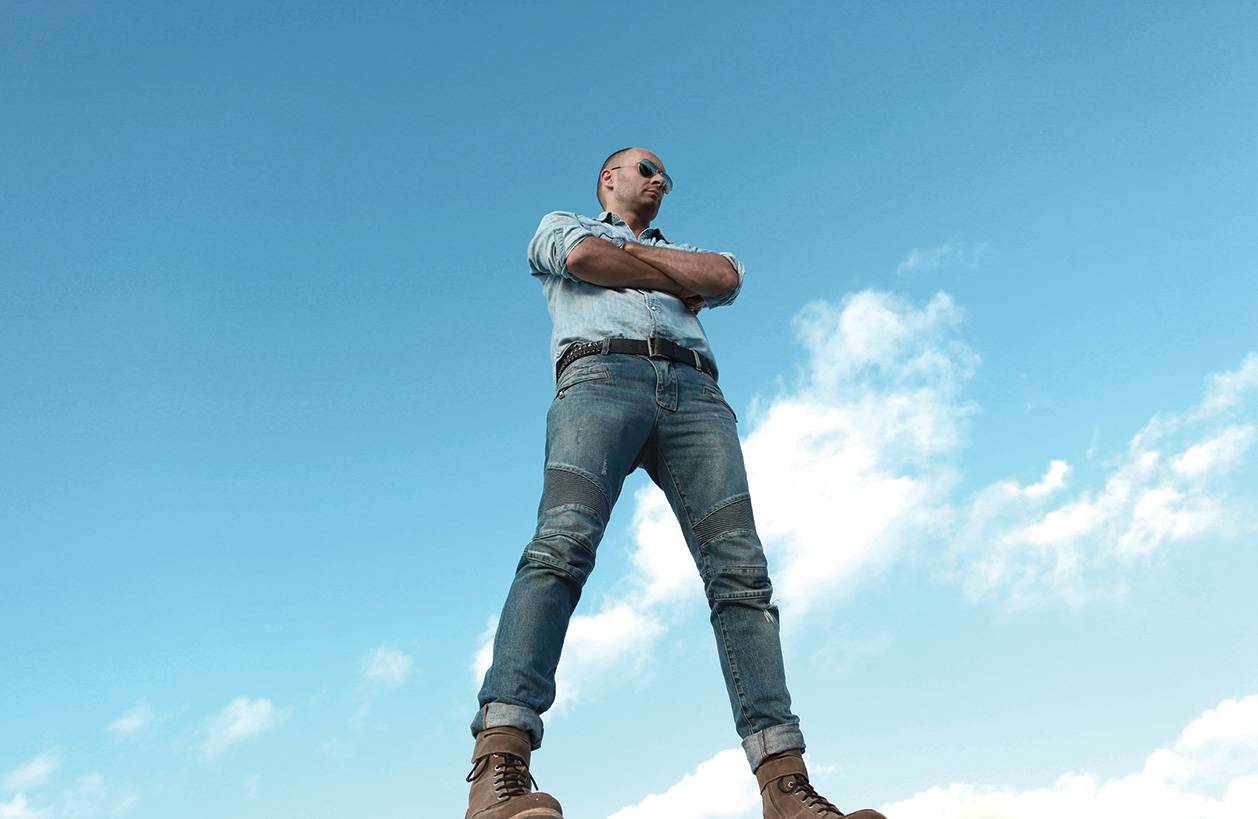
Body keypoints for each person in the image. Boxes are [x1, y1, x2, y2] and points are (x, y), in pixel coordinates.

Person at [465, 147, 886, 819]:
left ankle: (785, 786)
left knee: (742, 575)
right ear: (608, 179)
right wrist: (666, 275)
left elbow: (723, 276)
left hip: (697, 396)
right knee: (561, 546)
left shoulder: (689, 251)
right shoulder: (562, 224)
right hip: (598, 379)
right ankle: (499, 765)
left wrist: (637, 261)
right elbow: (583, 258)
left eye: (665, 175)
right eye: (646, 168)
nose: (660, 179)